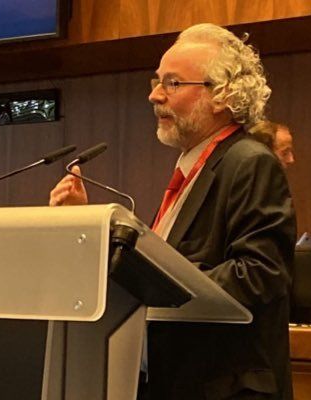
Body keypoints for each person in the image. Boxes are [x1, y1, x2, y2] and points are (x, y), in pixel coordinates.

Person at [49, 23, 296, 400]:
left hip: (226, 389)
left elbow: (261, 274)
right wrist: (88, 224)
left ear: (221, 95)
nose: (154, 96)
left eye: (172, 83)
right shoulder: (196, 168)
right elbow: (164, 259)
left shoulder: (249, 162)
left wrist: (162, 284)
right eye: (156, 81)